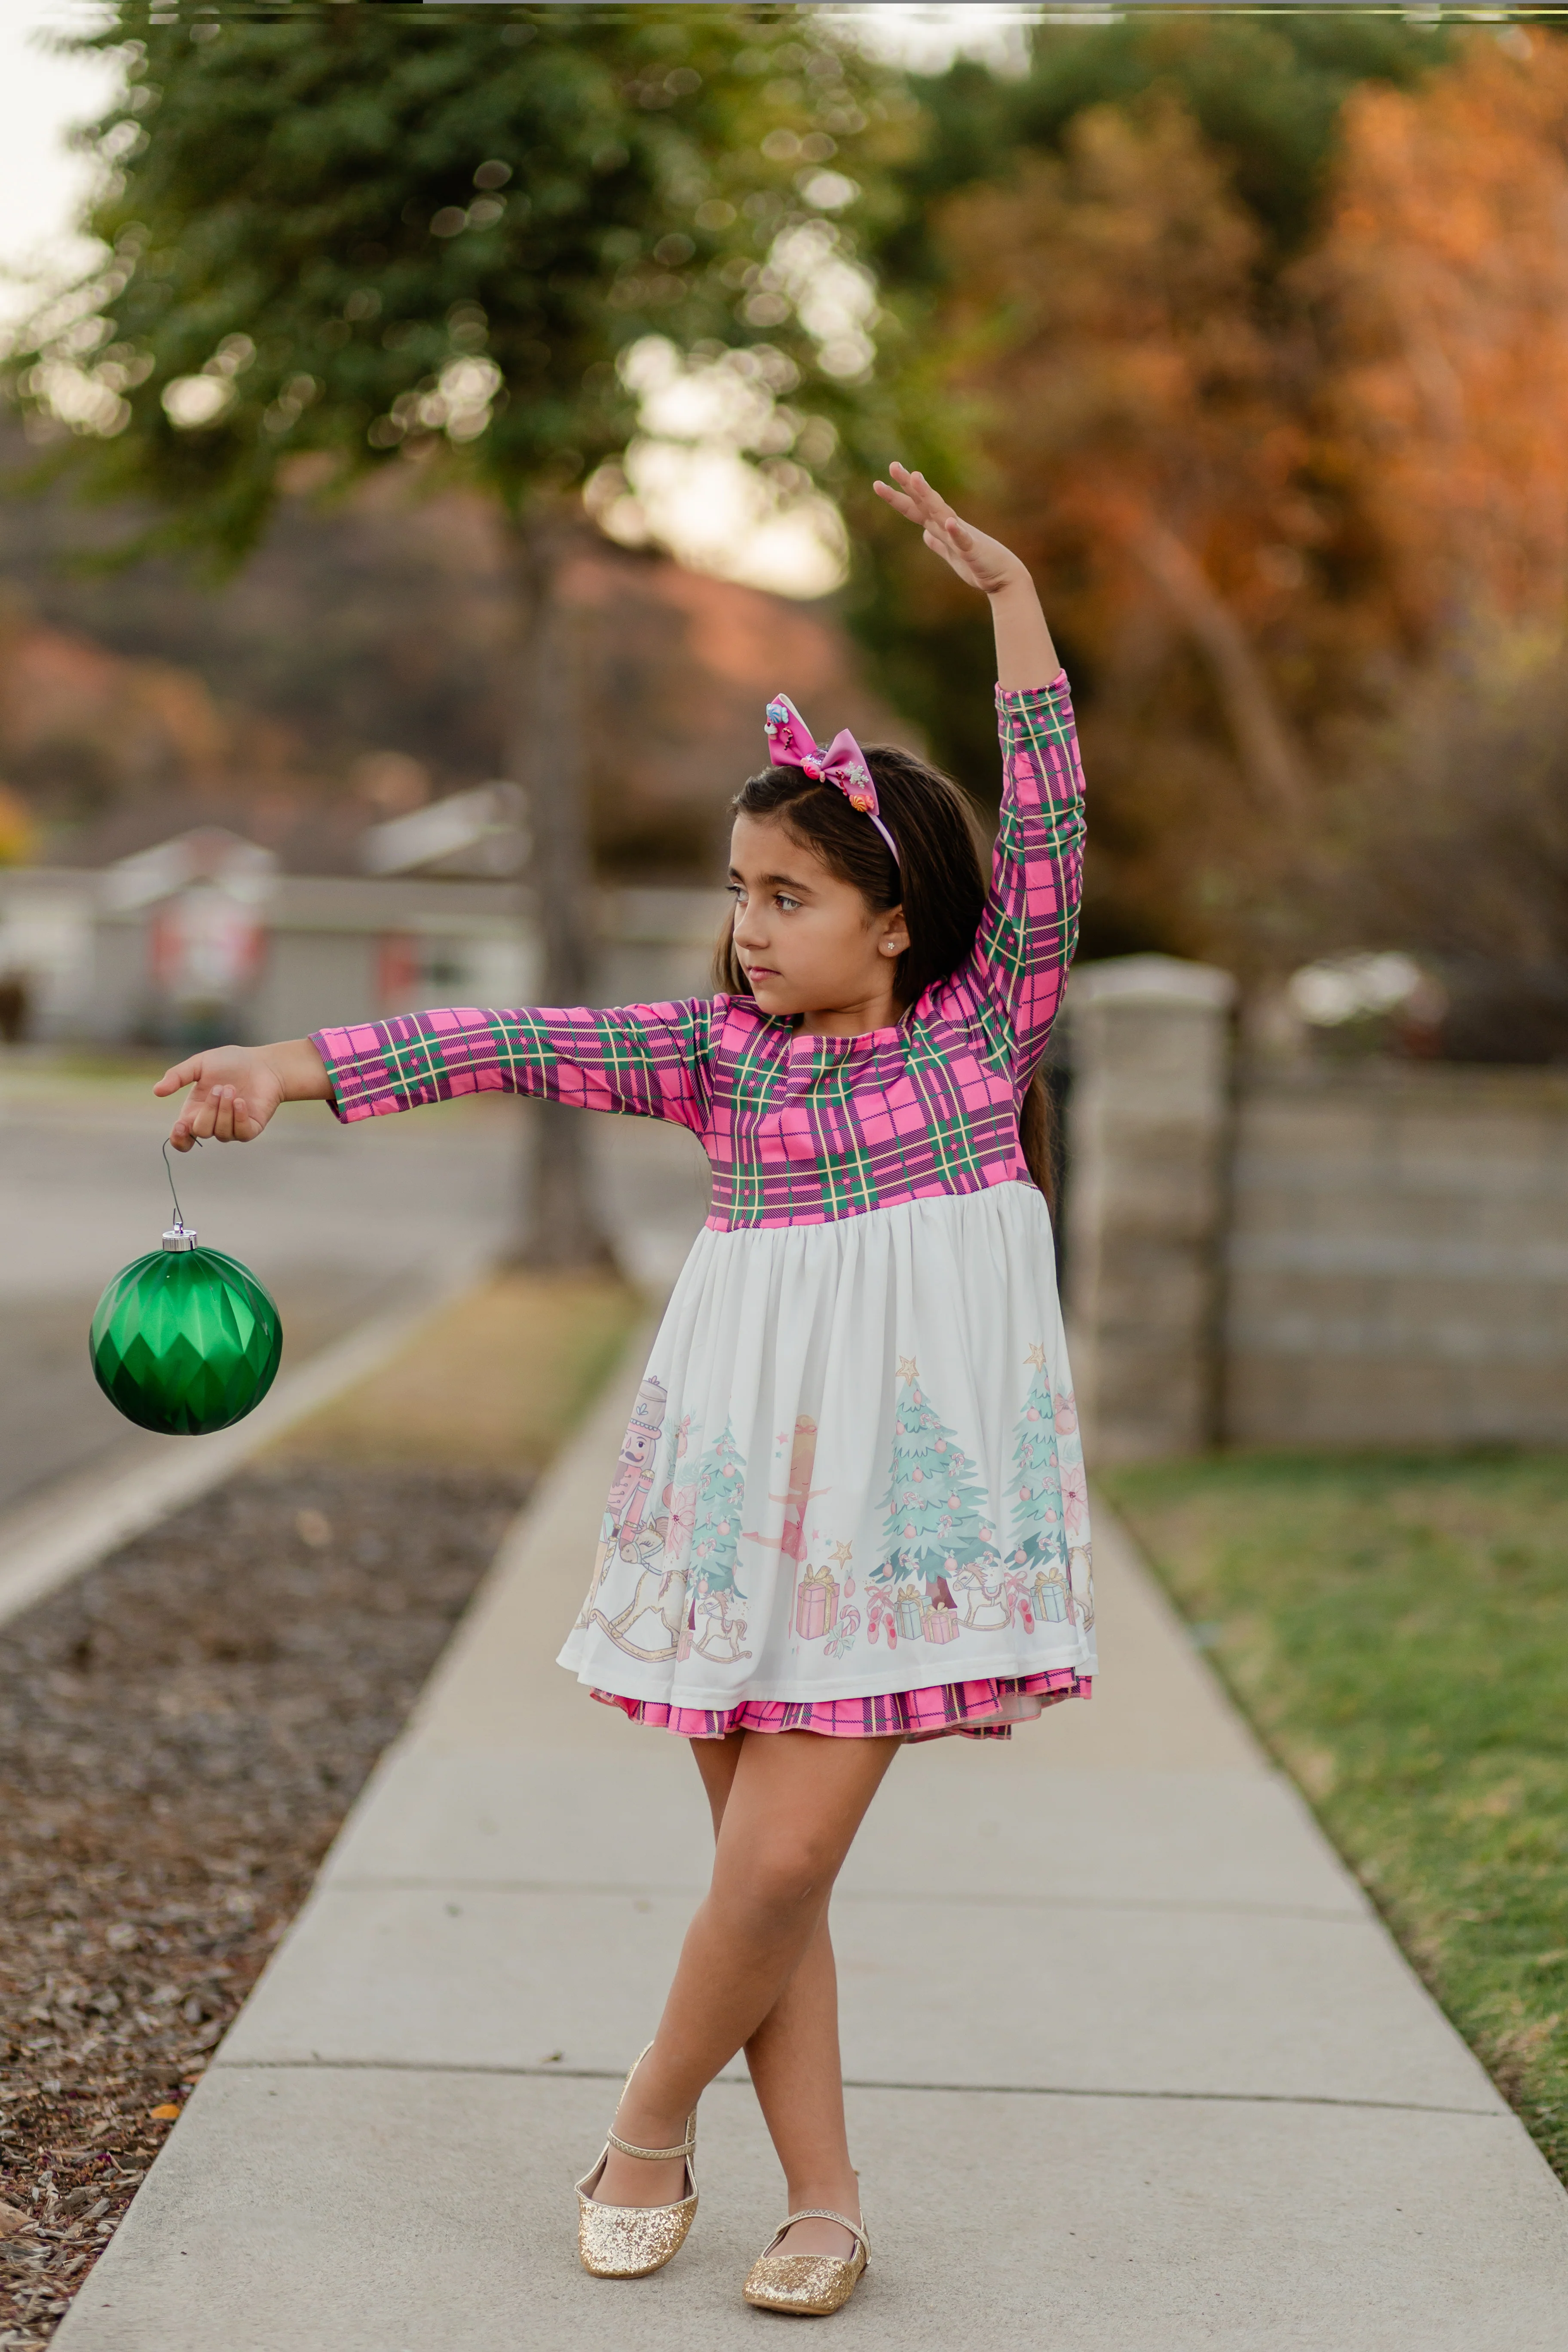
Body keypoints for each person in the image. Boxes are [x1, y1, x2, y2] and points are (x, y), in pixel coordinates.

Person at [155, 466, 1094, 2318]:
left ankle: (644, 2125)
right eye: (738, 893)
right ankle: (823, 2205)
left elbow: (1054, 821)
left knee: (781, 1860)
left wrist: (1016, 603)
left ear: (896, 917)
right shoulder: (715, 1060)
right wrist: (288, 1060)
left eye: (788, 896)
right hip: (738, 1499)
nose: (748, 927)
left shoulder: (986, 1032)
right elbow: (491, 1036)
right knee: (774, 1876)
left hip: (898, 1528)